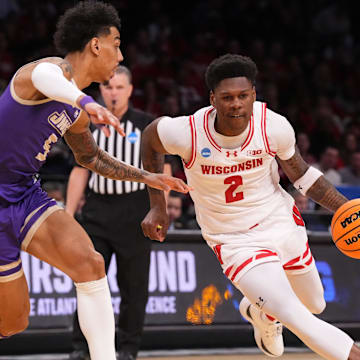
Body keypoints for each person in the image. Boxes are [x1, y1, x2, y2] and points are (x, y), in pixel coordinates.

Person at [0, 3, 190, 360]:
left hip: (25, 195)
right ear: (96, 45)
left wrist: (146, 174)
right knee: (12, 323)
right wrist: (84, 101)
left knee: (90, 264)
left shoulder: (77, 111)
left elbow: (91, 158)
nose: (120, 54)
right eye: (116, 44)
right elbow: (47, 80)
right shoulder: (47, 72)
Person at [140, 54, 360, 359]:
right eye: (227, 97)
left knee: (314, 304)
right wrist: (157, 205)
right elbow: (150, 139)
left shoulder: (273, 125)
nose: (236, 104)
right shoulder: (188, 132)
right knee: (297, 316)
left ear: (253, 95)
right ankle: (276, 312)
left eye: (243, 96)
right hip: (234, 239)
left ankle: (260, 312)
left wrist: (346, 208)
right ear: (212, 99)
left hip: (278, 220)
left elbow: (303, 175)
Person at [65, 65, 164, 360]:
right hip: (97, 212)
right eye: (108, 87)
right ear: (100, 92)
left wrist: (160, 210)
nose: (113, 93)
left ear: (130, 91)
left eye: (119, 87)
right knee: (89, 283)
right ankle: (81, 349)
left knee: (134, 288)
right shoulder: (88, 125)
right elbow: (79, 172)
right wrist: (68, 216)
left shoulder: (146, 125)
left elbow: (162, 170)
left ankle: (129, 349)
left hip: (136, 212)